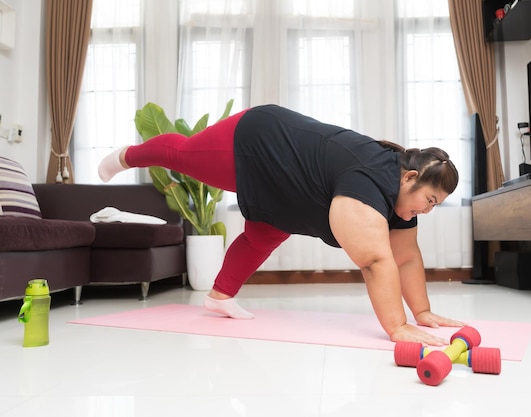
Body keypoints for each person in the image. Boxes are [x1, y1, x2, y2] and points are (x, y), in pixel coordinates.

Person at [99, 104, 464, 345]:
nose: (428, 210)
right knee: (184, 155)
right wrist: (398, 327)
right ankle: (126, 157)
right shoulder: (368, 184)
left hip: (293, 187)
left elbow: (406, 259)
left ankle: (219, 297)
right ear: (409, 178)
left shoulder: (400, 203)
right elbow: (376, 262)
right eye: (429, 200)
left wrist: (422, 313)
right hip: (261, 141)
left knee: (261, 237)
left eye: (436, 205)